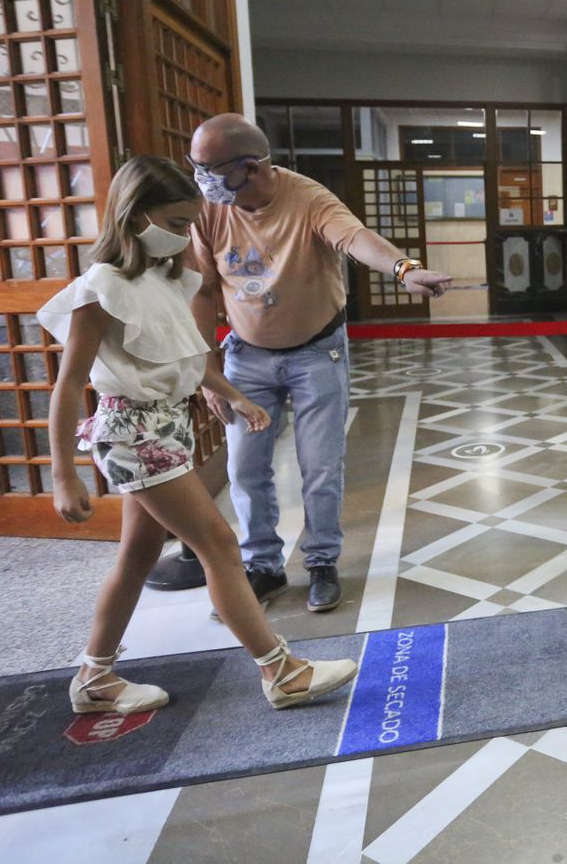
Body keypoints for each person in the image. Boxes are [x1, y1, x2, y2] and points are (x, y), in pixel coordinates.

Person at [41, 156, 358, 713]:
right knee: (218, 545)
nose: (188, 235)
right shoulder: (100, 290)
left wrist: (233, 395)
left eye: (191, 223)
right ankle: (281, 670)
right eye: (177, 223)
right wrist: (63, 474)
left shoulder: (162, 280)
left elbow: (184, 354)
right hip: (133, 433)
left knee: (138, 556)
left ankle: (94, 678)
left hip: (167, 425)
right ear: (136, 217)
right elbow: (68, 387)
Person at [187, 114, 452, 615]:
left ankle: (322, 562)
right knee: (246, 469)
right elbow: (202, 289)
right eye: (195, 169)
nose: (202, 182)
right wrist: (209, 374)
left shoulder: (308, 197)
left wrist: (404, 268)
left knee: (321, 467)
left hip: (317, 352)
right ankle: (262, 566)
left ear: (250, 167)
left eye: (209, 170)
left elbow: (354, 238)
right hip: (245, 356)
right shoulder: (210, 211)